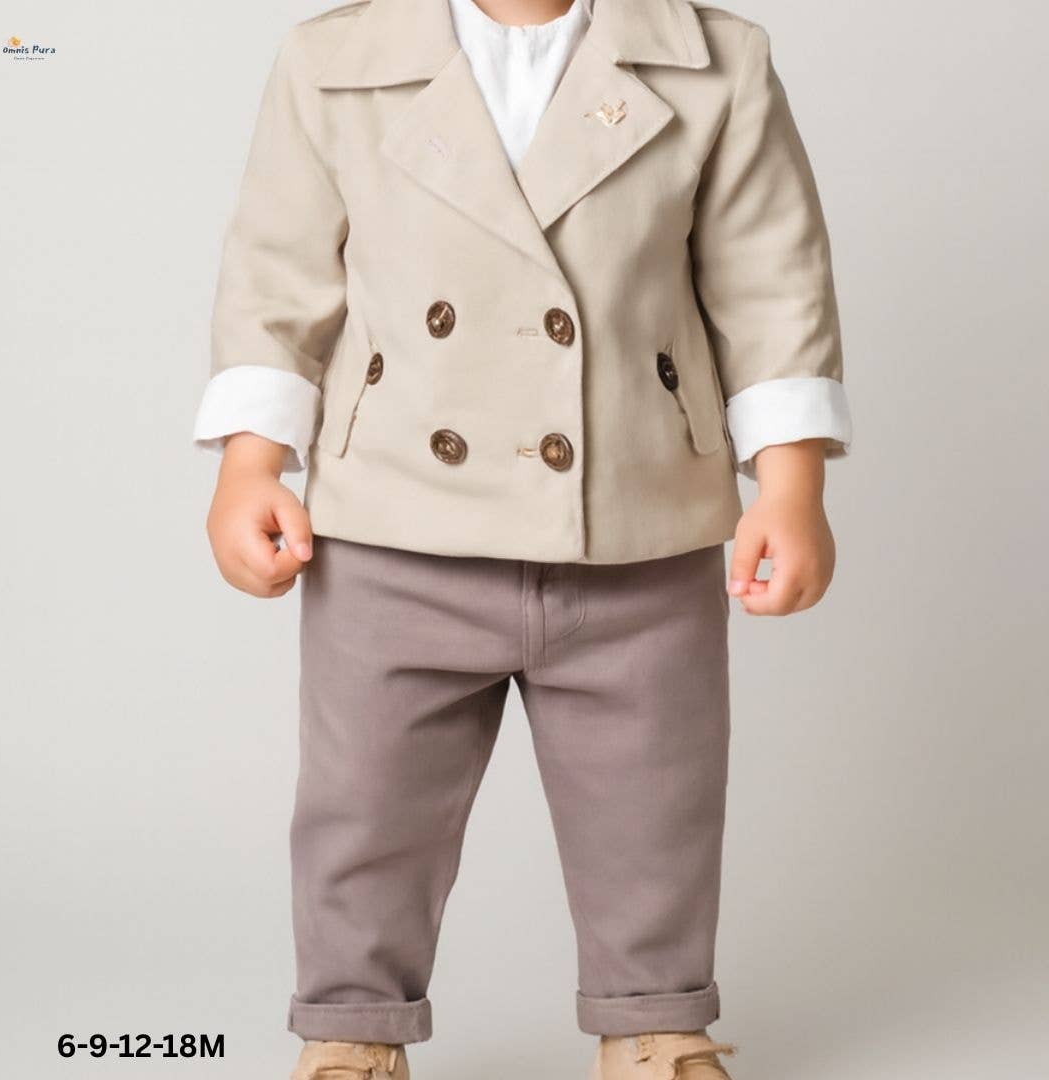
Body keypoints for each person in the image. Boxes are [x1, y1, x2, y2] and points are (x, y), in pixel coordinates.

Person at [194, 0, 852, 1076]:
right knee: (366, 806)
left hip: (638, 516)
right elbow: (277, 280)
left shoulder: (717, 59)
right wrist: (249, 464)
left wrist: (791, 484)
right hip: (394, 522)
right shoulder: (332, 61)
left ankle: (654, 1020)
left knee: (654, 800)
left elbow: (771, 284)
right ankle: (351, 1030)